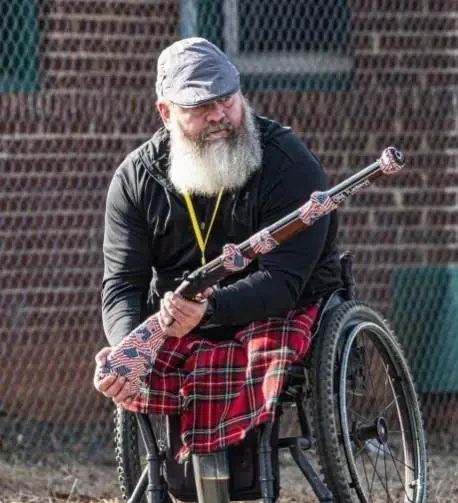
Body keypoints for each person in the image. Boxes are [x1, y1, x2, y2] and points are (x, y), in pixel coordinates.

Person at [93, 37, 343, 463]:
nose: (218, 116)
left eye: (226, 99)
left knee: (264, 347)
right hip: (178, 319)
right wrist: (127, 348)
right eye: (198, 107)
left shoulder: (289, 164)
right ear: (165, 112)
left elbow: (283, 281)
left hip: (279, 311)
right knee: (134, 364)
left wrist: (209, 310)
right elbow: (122, 285)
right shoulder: (135, 180)